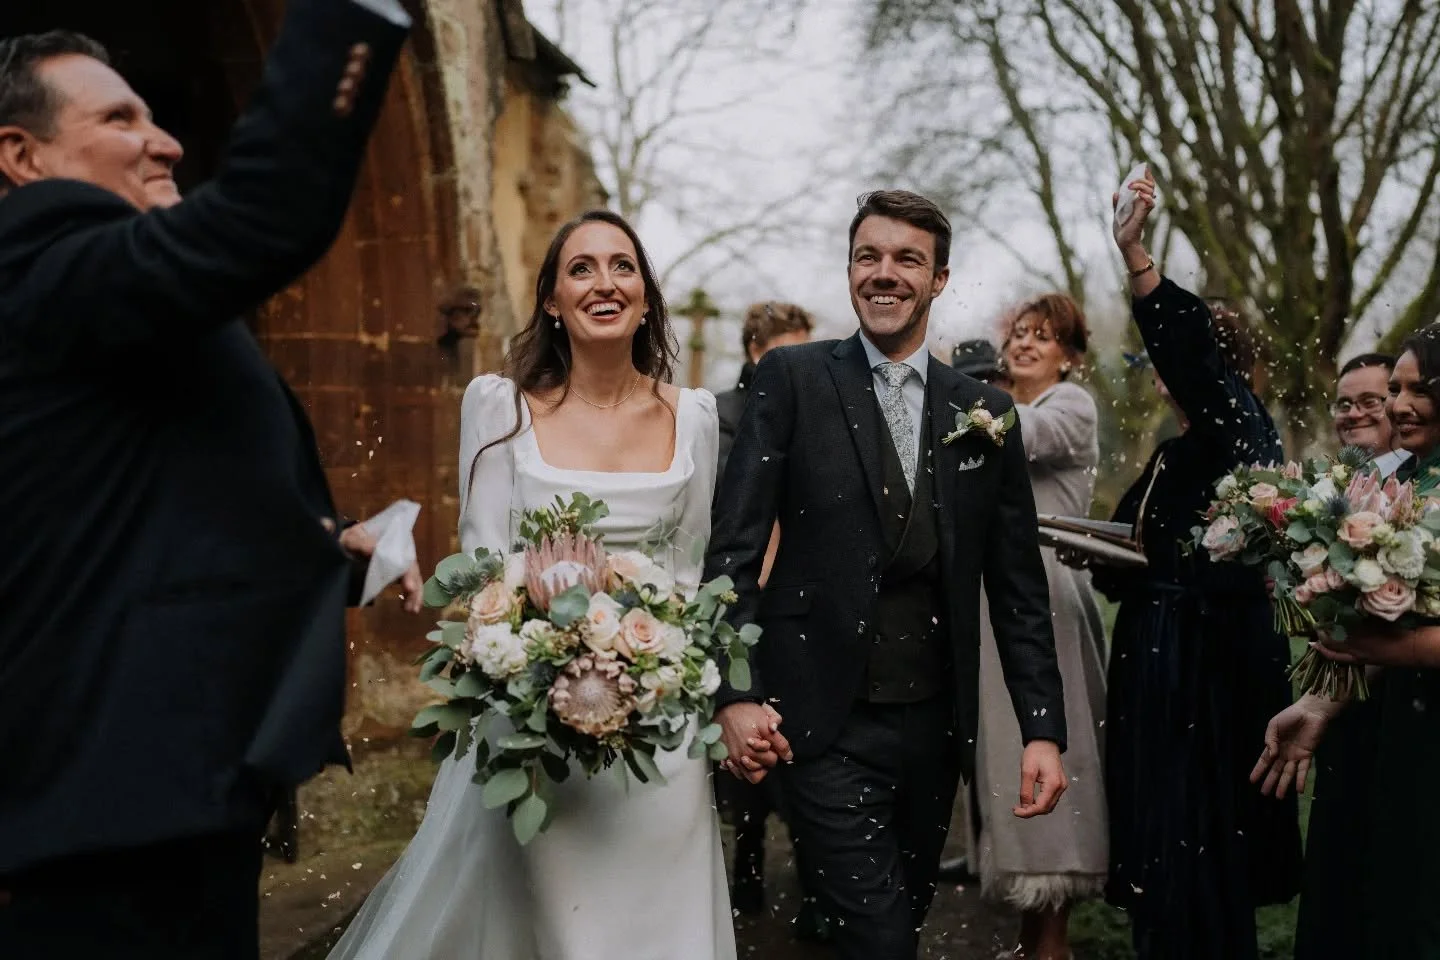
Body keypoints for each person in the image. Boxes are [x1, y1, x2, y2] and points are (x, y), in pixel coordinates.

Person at [0, 4, 410, 957]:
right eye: (120, 121)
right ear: (20, 158)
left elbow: (143, 501)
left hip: (176, 798)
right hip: (96, 821)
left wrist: (326, 539)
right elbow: (266, 214)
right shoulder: (39, 262)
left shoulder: (105, 302)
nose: (168, 143)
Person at [327, 210, 752, 960]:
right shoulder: (499, 409)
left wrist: (651, 665)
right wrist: (549, 641)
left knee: (662, 927)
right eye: (580, 268)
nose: (604, 282)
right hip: (536, 722)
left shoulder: (696, 418)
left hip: (661, 726)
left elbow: (689, 574)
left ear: (646, 297)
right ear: (552, 301)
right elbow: (485, 563)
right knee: (554, 928)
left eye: (622, 266)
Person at [707, 189, 1069, 960]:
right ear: (849, 270)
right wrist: (733, 693)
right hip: (818, 721)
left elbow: (1016, 588)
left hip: (935, 729)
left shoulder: (984, 413)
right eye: (868, 256)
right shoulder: (794, 381)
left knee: (894, 927)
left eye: (907, 259)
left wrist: (1043, 729)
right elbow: (732, 550)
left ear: (939, 279)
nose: (885, 273)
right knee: (880, 942)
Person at [1084, 170, 1302, 959]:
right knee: (1157, 844)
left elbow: (1193, 361)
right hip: (1156, 655)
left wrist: (1137, 254)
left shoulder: (1241, 429)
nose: (1163, 383)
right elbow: (1128, 543)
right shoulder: (1182, 451)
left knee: (1198, 843)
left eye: (1173, 368)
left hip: (1203, 672)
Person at [1254, 323, 1440, 958]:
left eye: (1420, 389)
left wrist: (1378, 649)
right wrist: (1319, 703)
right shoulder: (1407, 484)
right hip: (1401, 726)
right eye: (1397, 389)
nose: (1397, 406)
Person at [973, 295, 1108, 960]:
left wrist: (949, 402)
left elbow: (1012, 433)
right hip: (1003, 601)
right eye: (1019, 334)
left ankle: (1053, 944)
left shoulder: (1068, 406)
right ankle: (1032, 942)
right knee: (1009, 753)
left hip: (1046, 601)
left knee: (1052, 748)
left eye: (1044, 337)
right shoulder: (997, 408)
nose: (1025, 346)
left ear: (1070, 356)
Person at [713, 300, 822, 929]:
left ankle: (814, 887)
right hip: (745, 593)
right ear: (758, 350)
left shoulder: (820, 406)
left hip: (802, 599)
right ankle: (747, 866)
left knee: (805, 735)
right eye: (788, 347)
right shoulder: (726, 414)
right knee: (746, 726)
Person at [1333, 353, 1409, 476]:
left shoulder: (1431, 481)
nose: (1353, 414)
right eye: (1344, 405)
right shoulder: (1321, 487)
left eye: (1369, 402)